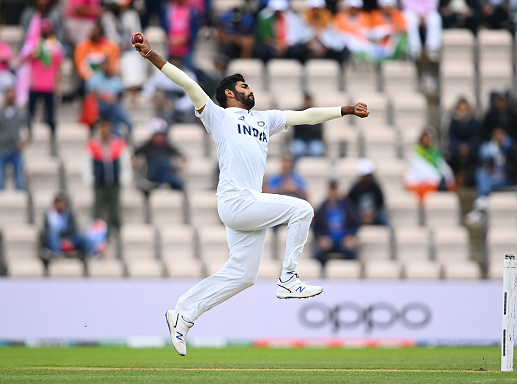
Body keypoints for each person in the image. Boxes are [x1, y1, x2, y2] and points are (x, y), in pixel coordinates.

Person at [131, 30, 369, 356]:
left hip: (247, 208)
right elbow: (188, 83)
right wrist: (150, 54)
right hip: (235, 200)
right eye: (244, 86)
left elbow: (305, 116)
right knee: (302, 210)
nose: (250, 89)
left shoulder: (263, 120)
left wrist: (343, 109)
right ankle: (288, 278)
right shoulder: (217, 116)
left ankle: (183, 314)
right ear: (229, 93)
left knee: (243, 275)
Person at [82, 117, 132, 233]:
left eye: (107, 127)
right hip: (99, 184)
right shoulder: (93, 145)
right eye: (103, 127)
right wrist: (89, 179)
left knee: (116, 210)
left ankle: (118, 232)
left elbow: (125, 162)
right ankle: (94, 234)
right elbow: (86, 163)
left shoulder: (118, 144)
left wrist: (125, 177)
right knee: (97, 210)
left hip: (114, 184)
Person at [466, 126, 517, 224]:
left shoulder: (513, 148)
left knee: (485, 182)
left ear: (504, 135)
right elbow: (489, 164)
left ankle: (481, 204)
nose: (497, 137)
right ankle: (482, 201)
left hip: (509, 178)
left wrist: (505, 172)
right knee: (481, 174)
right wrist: (491, 170)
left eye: (499, 134)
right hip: (496, 175)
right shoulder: (493, 149)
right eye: (495, 135)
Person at [21, 19, 64, 137]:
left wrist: (58, 84)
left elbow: (59, 67)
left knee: (50, 114)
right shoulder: (34, 45)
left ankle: (53, 137)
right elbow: (23, 59)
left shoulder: (56, 46)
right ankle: (28, 134)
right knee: (30, 113)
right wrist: (34, 52)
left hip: (49, 85)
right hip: (35, 84)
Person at [133, 118, 187, 193]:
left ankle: (166, 184)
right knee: (164, 163)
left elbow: (180, 155)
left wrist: (181, 162)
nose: (159, 137)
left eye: (161, 134)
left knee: (179, 182)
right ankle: (164, 184)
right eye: (157, 134)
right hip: (153, 174)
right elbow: (134, 153)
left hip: (167, 174)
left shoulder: (167, 146)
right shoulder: (147, 146)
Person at [313, 181, 360, 265]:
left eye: (335, 191)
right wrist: (320, 238)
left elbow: (355, 222)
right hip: (328, 240)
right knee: (318, 254)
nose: (333, 194)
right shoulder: (322, 209)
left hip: (343, 241)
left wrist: (351, 236)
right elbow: (315, 226)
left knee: (351, 253)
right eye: (331, 191)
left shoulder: (347, 207)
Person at [142, 56, 197, 125]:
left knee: (190, 112)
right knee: (166, 113)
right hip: (166, 103)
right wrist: (156, 97)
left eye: (176, 64)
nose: (174, 66)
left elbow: (192, 98)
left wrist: (176, 105)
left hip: (182, 104)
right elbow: (148, 87)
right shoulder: (161, 75)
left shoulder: (189, 76)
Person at [404, 128, 455, 202]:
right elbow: (420, 169)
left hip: (436, 179)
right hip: (423, 180)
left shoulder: (434, 152)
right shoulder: (416, 153)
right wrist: (435, 177)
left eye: (429, 138)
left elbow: (442, 166)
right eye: (426, 138)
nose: (427, 140)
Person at [86, 59, 133, 136]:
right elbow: (92, 92)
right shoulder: (95, 77)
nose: (107, 67)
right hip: (99, 105)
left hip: (112, 105)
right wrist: (104, 97)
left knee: (115, 113)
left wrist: (113, 98)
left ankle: (116, 135)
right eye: (105, 65)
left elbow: (120, 93)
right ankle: (127, 125)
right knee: (115, 109)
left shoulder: (114, 78)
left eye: (108, 65)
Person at [41, 192, 93, 259]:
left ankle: (92, 253)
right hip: (56, 240)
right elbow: (47, 231)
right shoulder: (49, 215)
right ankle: (57, 254)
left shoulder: (69, 214)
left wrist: (65, 238)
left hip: (69, 237)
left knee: (81, 237)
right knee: (52, 235)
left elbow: (73, 228)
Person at [0, 88, 30, 191]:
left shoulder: (21, 113)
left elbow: (29, 130)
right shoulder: (0, 113)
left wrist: (24, 144)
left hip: (16, 149)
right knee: (0, 180)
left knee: (19, 180)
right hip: (2, 149)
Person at [446, 97, 481, 187]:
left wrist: (468, 146)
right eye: (460, 109)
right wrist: (459, 146)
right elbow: (451, 137)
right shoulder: (453, 123)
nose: (462, 111)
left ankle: (470, 181)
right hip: (456, 151)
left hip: (471, 151)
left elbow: (475, 137)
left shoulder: (474, 123)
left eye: (464, 109)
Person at [347, 158, 388, 226]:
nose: (367, 178)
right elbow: (350, 205)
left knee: (382, 217)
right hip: (359, 214)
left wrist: (373, 213)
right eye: (365, 176)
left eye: (368, 176)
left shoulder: (376, 188)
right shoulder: (355, 189)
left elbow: (380, 203)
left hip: (373, 214)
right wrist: (360, 214)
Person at [290, 93, 325, 159]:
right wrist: (310, 126)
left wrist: (305, 125)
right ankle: (295, 168)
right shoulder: (298, 112)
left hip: (313, 140)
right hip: (299, 139)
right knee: (297, 150)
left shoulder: (317, 113)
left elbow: (318, 129)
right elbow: (296, 127)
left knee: (317, 151)